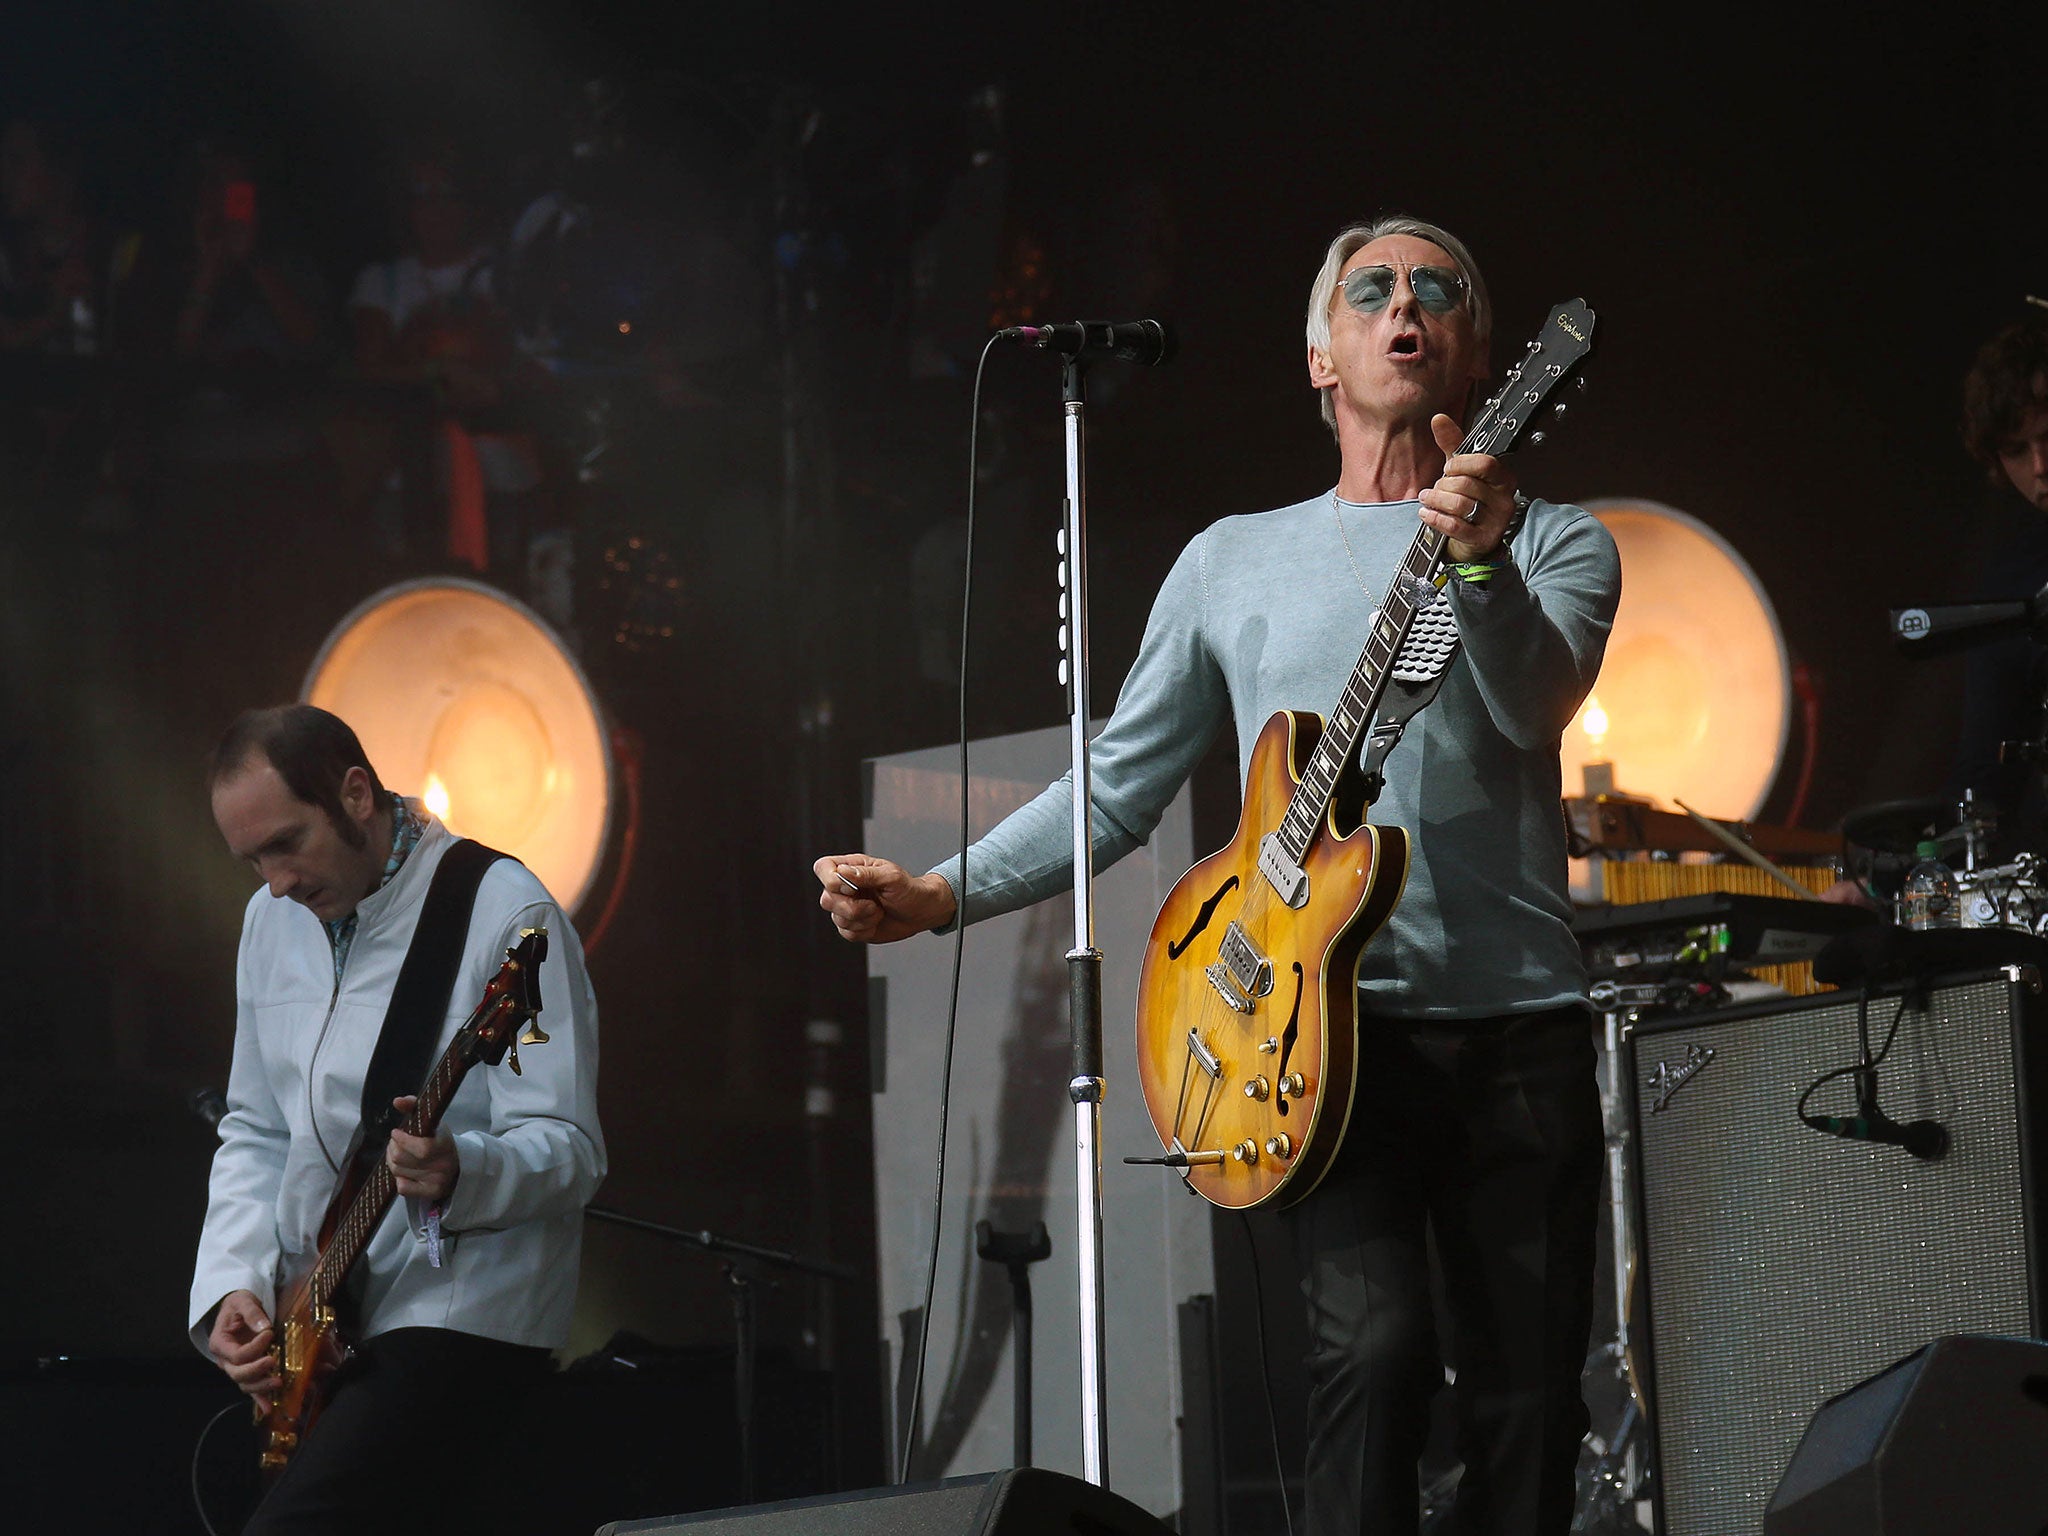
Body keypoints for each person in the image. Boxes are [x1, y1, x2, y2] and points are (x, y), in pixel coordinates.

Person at [813, 216, 1620, 1535]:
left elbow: (1533, 706)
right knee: (1374, 1355)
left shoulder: (1559, 543)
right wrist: (941, 889)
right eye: (1372, 290)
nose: (1404, 302)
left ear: (1478, 355)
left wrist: (1477, 559)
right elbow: (1121, 782)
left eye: (1439, 290)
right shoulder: (1229, 561)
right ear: (1321, 355)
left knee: (1528, 1402)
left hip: (1515, 1027)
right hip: (1314, 1040)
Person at [190, 703, 604, 1533]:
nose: (275, 882)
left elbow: (573, 1150)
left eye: (286, 843)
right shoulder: (271, 921)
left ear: (355, 794)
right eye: (252, 860)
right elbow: (257, 1127)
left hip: (462, 1314)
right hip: (328, 1317)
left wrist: (465, 1169)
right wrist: (233, 1280)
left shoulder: (505, 910)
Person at [1948, 312, 2048, 858]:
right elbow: (1984, 775)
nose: (2041, 466)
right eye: (2017, 451)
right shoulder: (2011, 583)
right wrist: (1888, 885)